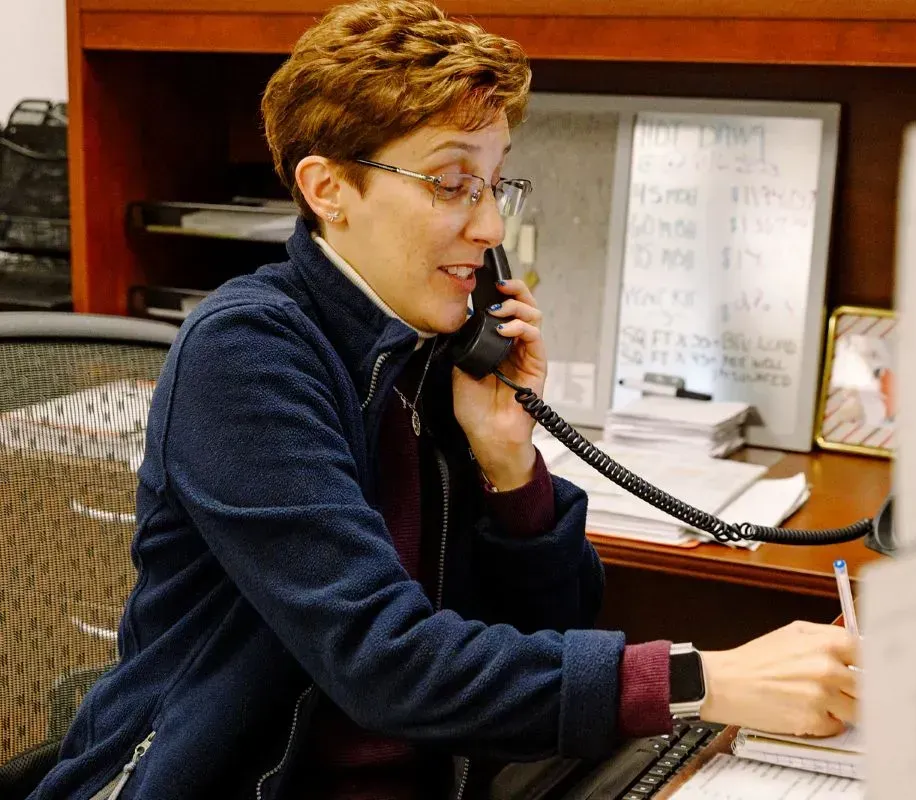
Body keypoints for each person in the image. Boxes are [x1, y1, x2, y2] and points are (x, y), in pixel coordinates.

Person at [31, 2, 858, 797]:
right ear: (329, 190)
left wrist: (512, 467)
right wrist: (696, 680)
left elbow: (552, 634)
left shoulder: (435, 352)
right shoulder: (249, 355)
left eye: (498, 185)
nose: (492, 226)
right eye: (454, 182)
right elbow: (388, 666)